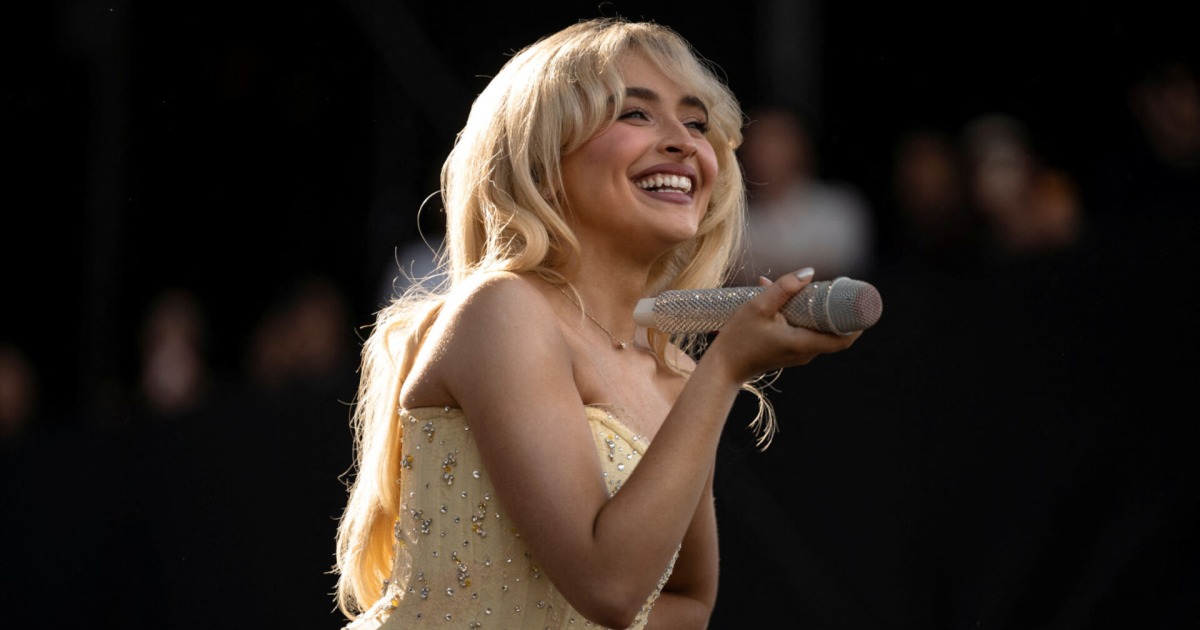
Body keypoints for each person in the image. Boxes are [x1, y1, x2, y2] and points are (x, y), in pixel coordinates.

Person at [333, 17, 863, 630]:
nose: (684, 142)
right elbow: (609, 588)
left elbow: (689, 605)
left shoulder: (671, 368)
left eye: (696, 123)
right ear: (540, 157)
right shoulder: (503, 309)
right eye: (636, 113)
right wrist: (723, 370)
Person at [732, 105, 875, 284]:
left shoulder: (839, 207)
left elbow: (840, 267)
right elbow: (734, 274)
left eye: (777, 140)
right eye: (758, 142)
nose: (766, 152)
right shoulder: (734, 220)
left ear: (801, 146)